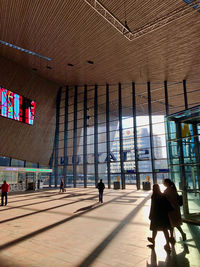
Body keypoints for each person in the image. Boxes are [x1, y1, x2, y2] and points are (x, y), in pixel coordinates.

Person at [148, 184, 173, 253]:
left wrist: (150, 215)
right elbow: (168, 205)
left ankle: (153, 242)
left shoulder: (154, 196)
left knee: (154, 229)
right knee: (165, 229)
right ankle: (167, 244)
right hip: (164, 215)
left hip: (156, 215)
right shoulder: (163, 195)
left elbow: (153, 207)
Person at [163, 178, 186, 243]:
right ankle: (173, 236)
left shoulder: (167, 190)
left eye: (164, 182)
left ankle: (179, 235)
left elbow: (166, 199)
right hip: (175, 208)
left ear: (167, 183)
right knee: (174, 223)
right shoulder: (173, 189)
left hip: (171, 208)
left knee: (172, 223)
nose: (163, 184)